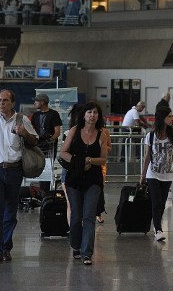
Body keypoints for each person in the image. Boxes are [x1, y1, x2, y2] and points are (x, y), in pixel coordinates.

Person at [0, 89, 38, 264]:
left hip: (14, 170)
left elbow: (35, 142)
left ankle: (6, 247)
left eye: (5, 100)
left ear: (12, 103)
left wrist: (24, 133)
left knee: (10, 211)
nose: (1, 103)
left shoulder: (22, 120)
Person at [59, 101, 109, 265]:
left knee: (89, 216)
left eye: (95, 113)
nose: (92, 115)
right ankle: (76, 245)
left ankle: (87, 252)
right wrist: (79, 161)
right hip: (74, 178)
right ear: (84, 115)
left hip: (93, 180)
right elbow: (63, 152)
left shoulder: (102, 134)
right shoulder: (74, 131)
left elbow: (103, 159)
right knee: (76, 216)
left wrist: (90, 160)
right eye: (89, 112)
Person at [141, 106, 173, 242]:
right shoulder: (150, 136)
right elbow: (147, 157)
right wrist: (143, 175)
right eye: (169, 116)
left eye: (172, 116)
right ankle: (158, 229)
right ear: (161, 118)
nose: (172, 118)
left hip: (167, 174)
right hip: (152, 174)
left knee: (162, 203)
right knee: (156, 201)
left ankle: (156, 224)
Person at [30, 93, 63, 192]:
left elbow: (57, 131)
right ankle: (40, 190)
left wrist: (50, 140)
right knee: (38, 166)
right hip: (38, 145)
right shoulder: (35, 115)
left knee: (48, 167)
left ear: (43, 102)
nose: (34, 103)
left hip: (49, 146)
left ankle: (46, 190)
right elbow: (32, 130)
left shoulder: (54, 114)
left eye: (36, 101)